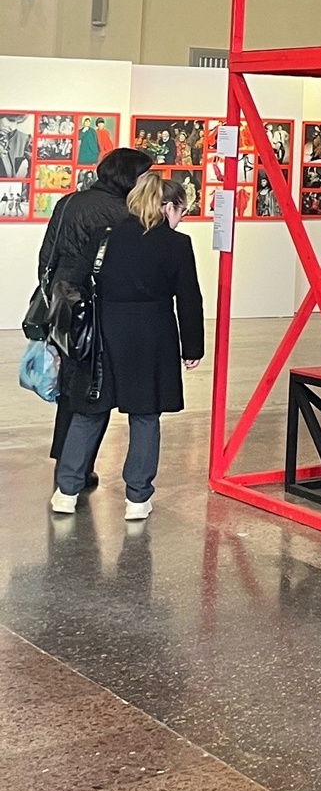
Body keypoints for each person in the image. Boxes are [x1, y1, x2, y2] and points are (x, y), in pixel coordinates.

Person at [50, 173, 203, 522]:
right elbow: (189, 298)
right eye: (182, 210)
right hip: (153, 335)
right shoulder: (177, 244)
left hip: (104, 333)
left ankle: (66, 491)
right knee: (145, 416)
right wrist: (192, 347)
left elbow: (77, 284)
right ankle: (137, 497)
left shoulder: (105, 237)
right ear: (167, 207)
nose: (181, 218)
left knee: (90, 411)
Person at [35, 144, 153, 484]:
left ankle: (66, 462)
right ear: (129, 177)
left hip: (64, 299)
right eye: (144, 175)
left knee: (71, 384)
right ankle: (78, 467)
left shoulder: (69, 201)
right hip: (95, 303)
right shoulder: (121, 212)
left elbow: (47, 256)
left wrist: (52, 295)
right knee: (94, 389)